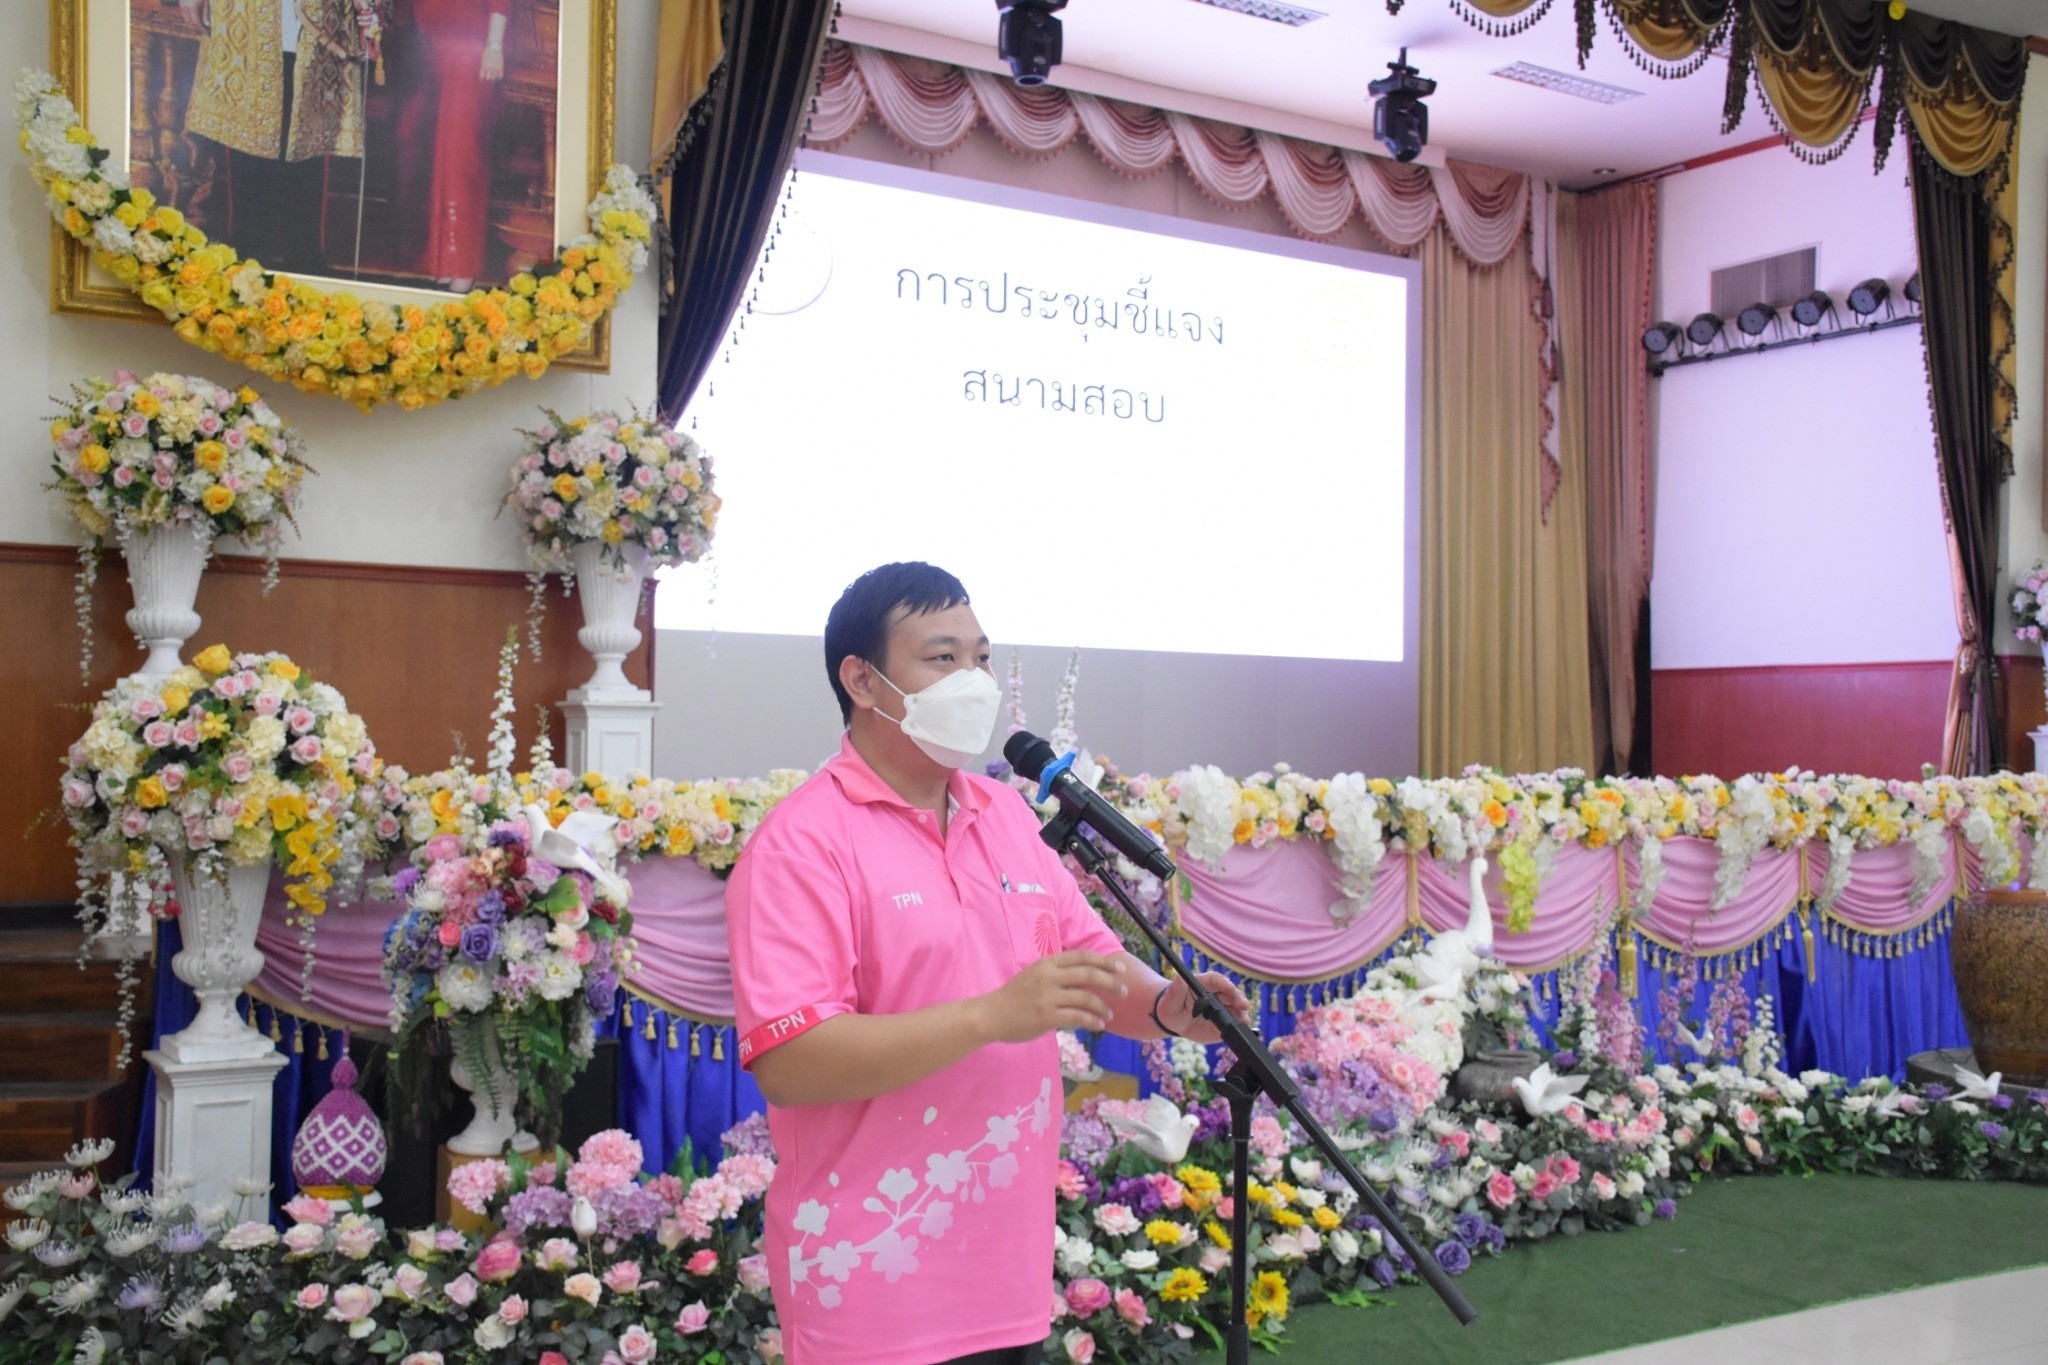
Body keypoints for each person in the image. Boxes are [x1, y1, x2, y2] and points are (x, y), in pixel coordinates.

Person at [726, 562, 1252, 1365]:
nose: (972, 680)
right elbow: (791, 1062)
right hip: (870, 1276)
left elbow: (1085, 961)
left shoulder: (1006, 814)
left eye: (979, 658)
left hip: (1004, 1270)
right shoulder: (802, 844)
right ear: (862, 681)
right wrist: (991, 1016)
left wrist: (1161, 1004)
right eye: (942, 658)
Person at [407, 0, 508, 290]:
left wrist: (494, 45)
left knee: (460, 155)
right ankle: (444, 261)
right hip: (437, 48)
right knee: (439, 154)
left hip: (471, 49)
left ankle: (463, 266)